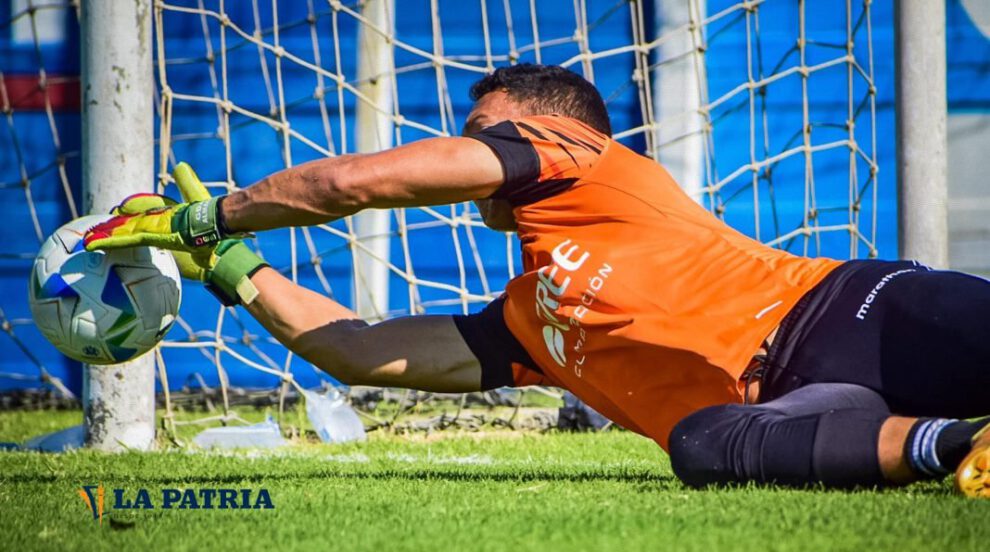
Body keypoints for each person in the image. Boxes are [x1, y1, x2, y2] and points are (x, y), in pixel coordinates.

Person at [84, 64, 990, 496]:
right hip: (797, 404)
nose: (471, 145)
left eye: (485, 130)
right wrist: (235, 269)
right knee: (703, 446)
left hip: (850, 309)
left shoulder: (584, 158)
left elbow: (355, 183)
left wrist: (216, 214)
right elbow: (358, 351)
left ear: (543, 132)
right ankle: (959, 444)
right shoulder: (531, 319)